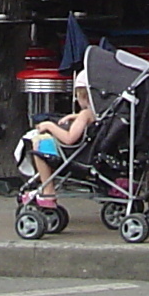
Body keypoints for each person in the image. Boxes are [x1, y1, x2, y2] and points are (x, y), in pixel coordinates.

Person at [22, 71, 96, 211]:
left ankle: (48, 190)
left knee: (39, 144)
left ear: (83, 96)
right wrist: (74, 117)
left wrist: (49, 126)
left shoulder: (85, 114)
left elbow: (69, 138)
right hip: (86, 151)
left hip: (75, 153)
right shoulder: (98, 113)